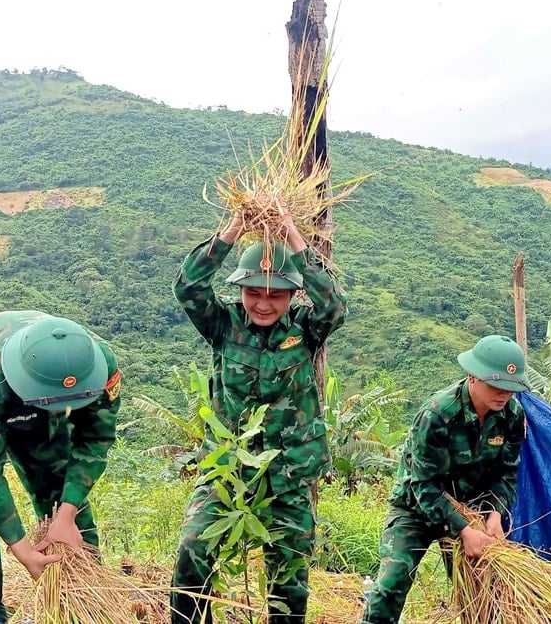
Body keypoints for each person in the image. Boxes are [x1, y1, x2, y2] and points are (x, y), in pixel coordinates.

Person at [170, 210, 347, 624]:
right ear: (241, 290)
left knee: (289, 575)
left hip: (288, 473)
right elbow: (188, 286)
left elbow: (334, 303)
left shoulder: (306, 329)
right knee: (194, 548)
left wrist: (292, 235)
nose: (263, 303)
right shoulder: (223, 325)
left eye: (276, 294)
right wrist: (232, 229)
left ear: (292, 296)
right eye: (253, 292)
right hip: (228, 468)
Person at [0, 310, 122, 622]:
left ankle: (86, 596)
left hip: (46, 403)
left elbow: (95, 440)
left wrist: (66, 514)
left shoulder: (98, 365)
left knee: (62, 495)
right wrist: (22, 549)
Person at [359, 335, 530, 624]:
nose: (504, 394)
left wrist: (494, 514)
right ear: (473, 376)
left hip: (471, 511)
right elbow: (422, 485)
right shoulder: (437, 414)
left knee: (481, 597)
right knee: (390, 587)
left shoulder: (512, 416)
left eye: (511, 389)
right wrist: (463, 530)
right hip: (416, 509)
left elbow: (506, 472)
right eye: (496, 385)